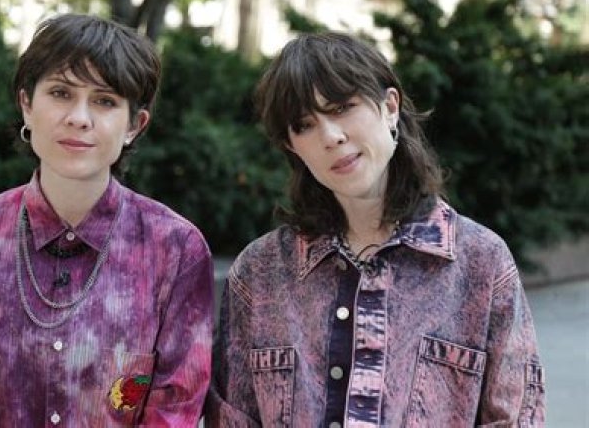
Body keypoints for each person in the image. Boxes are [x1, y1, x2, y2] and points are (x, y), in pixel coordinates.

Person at [206, 32, 545, 427]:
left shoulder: (480, 263)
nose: (331, 137)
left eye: (343, 108)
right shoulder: (260, 272)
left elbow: (517, 418)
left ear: (390, 107)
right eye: (304, 125)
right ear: (292, 146)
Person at [0, 14, 214, 427]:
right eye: (61, 93)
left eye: (105, 101)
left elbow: (175, 409)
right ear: (26, 104)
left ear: (135, 125)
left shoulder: (176, 251)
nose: (79, 117)